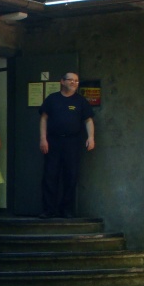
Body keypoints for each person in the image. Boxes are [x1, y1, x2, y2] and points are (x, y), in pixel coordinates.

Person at [39, 72, 94, 218]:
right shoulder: (52, 99)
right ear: (62, 81)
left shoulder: (80, 101)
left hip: (72, 142)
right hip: (53, 142)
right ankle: (49, 210)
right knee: (50, 175)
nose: (74, 83)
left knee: (71, 175)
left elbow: (88, 120)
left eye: (76, 81)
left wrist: (91, 137)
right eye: (71, 80)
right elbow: (44, 119)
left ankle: (67, 210)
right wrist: (43, 139)